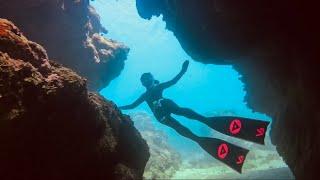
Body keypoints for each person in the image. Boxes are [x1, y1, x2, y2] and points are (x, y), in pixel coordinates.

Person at [119, 60, 270, 173]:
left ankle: (204, 122)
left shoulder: (158, 87)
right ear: (143, 83)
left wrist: (183, 70)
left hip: (167, 108)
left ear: (151, 79)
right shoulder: (146, 94)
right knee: (180, 124)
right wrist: (117, 107)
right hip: (163, 117)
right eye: (143, 80)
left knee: (169, 104)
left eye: (147, 78)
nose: (146, 81)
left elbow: (174, 81)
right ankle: (198, 135)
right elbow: (132, 105)